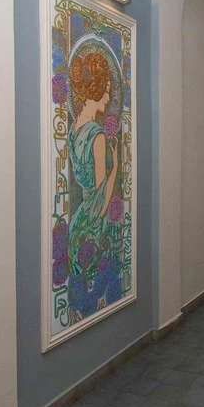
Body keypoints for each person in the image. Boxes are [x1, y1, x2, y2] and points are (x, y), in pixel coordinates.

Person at [68, 48, 123, 321]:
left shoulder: (73, 131)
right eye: (107, 90)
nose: (109, 97)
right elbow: (101, 204)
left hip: (78, 223)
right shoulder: (98, 137)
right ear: (96, 89)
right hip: (93, 224)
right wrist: (116, 167)